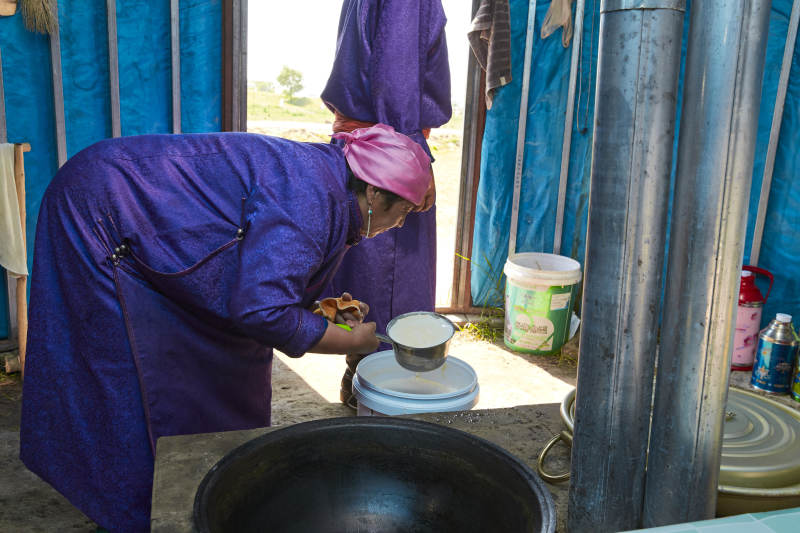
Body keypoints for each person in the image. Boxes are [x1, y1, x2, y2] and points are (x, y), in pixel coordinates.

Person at [19, 123, 432, 532]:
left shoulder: (334, 185)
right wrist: (346, 341)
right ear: (374, 192)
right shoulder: (309, 196)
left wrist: (325, 314)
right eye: (404, 212)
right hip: (102, 213)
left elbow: (273, 273)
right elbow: (262, 312)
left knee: (215, 369)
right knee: (128, 376)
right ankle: (134, 513)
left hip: (133, 217)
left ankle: (190, 488)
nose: (399, 225)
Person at [321, 0, 452, 406]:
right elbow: (395, 78)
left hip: (365, 148)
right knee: (393, 291)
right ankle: (386, 396)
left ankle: (359, 379)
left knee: (364, 280)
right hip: (388, 153)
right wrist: (413, 155)